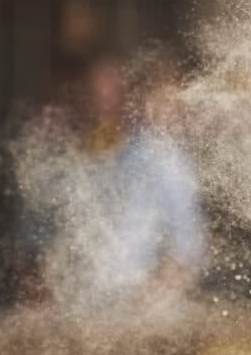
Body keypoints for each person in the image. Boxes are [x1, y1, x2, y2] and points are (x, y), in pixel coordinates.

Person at [15, 53, 205, 310]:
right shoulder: (53, 163)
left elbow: (186, 250)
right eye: (89, 97)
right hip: (67, 319)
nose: (98, 108)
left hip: (142, 319)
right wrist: (41, 307)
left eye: (107, 97)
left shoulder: (160, 159)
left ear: (125, 98)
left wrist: (145, 304)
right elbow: (31, 253)